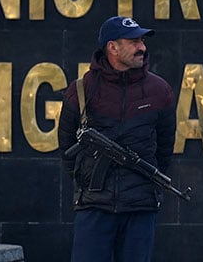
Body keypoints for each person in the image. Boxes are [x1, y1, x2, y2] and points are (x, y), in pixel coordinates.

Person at [58, 16, 176, 262]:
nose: (142, 47)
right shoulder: (81, 90)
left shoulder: (159, 90)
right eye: (133, 41)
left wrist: (145, 186)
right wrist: (88, 182)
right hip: (93, 207)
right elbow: (67, 147)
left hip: (140, 208)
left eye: (142, 40)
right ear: (112, 47)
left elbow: (165, 148)